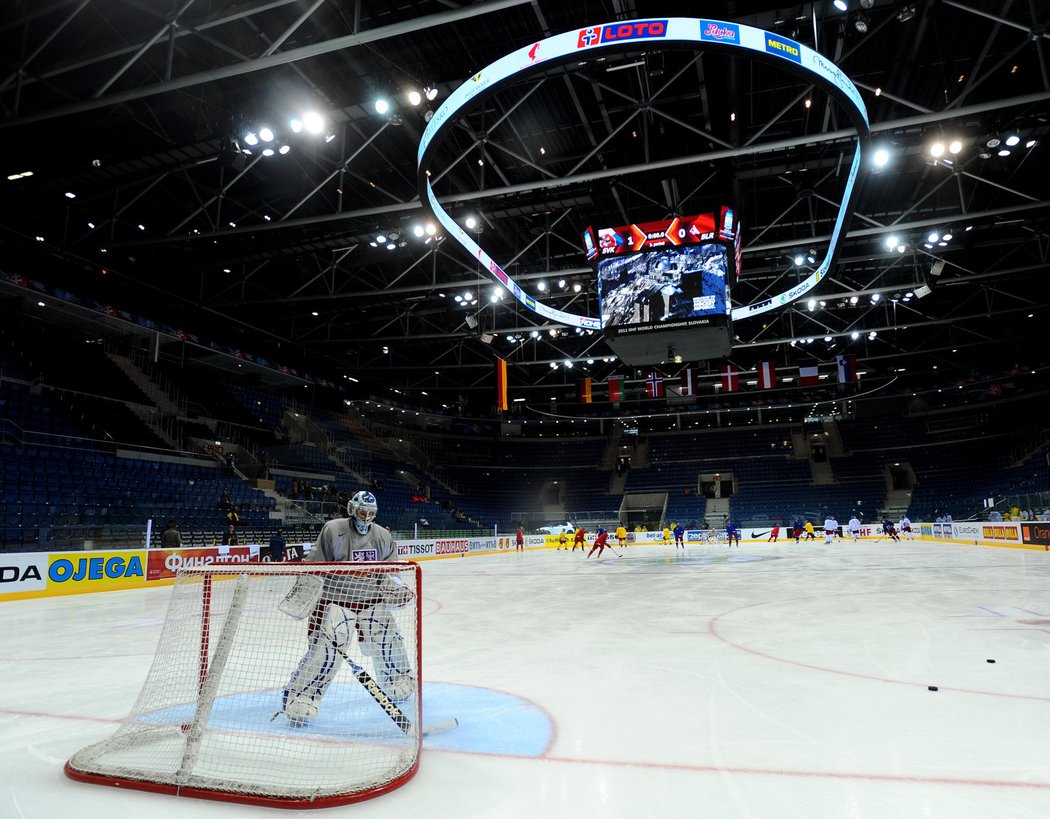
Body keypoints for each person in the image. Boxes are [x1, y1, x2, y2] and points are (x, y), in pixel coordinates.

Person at [279, 490, 414, 726]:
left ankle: (397, 679)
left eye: (371, 513)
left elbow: (390, 574)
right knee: (330, 645)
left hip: (371, 600)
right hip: (337, 600)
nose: (366, 517)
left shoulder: (382, 535)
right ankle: (302, 695)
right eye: (363, 512)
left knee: (388, 637)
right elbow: (315, 566)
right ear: (352, 509)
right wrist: (305, 593)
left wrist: (396, 590)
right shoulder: (333, 529)